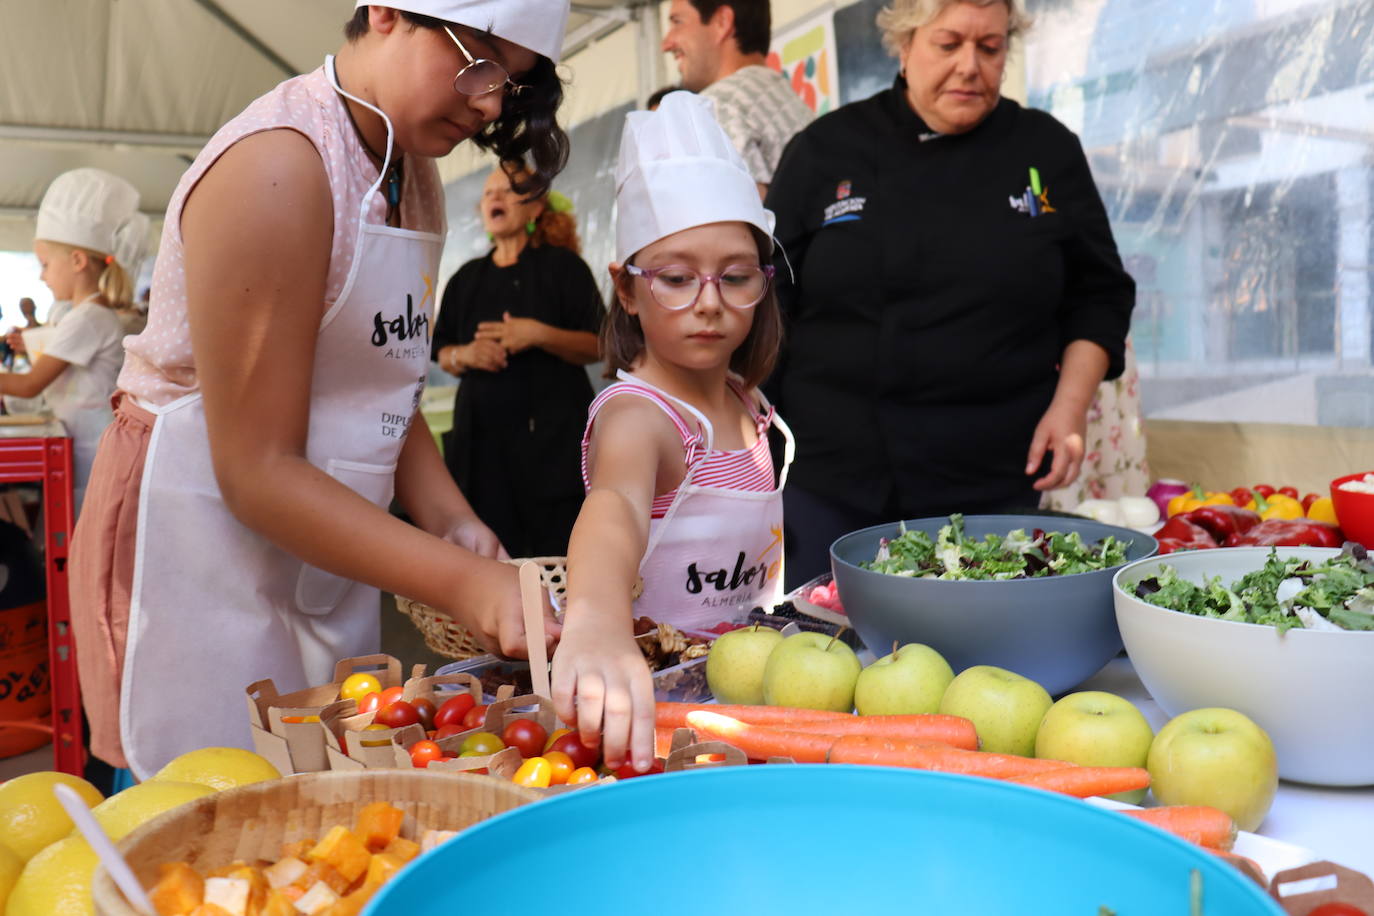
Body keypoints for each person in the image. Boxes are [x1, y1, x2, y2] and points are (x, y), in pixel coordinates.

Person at [68, 0, 571, 779]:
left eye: (513, 81)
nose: (491, 102)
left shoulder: (412, 170)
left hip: (318, 536)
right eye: (478, 56)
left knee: (314, 781)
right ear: (383, 13)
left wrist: (454, 525)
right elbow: (256, 471)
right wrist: (466, 582)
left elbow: (380, 381)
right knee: (202, 796)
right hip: (198, 526)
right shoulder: (282, 163)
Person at [764, 0, 1136, 588]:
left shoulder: (1044, 150)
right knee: (822, 647)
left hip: (993, 477)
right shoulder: (825, 149)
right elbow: (769, 298)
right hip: (834, 474)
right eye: (949, 44)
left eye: (990, 48)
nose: (970, 65)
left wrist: (1069, 408)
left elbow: (1101, 293)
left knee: (982, 657)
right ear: (904, 45)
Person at [552, 91, 791, 774]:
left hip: (750, 711)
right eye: (678, 279)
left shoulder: (752, 406)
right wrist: (596, 616)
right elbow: (616, 504)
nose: (710, 303)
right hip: (654, 726)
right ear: (626, 289)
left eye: (736, 277)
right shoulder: (642, 417)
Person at [431, 161, 603, 558]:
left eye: (507, 191)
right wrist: (465, 354)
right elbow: (441, 350)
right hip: (482, 450)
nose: (494, 197)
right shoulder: (466, 278)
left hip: (554, 449)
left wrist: (538, 334)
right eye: (489, 192)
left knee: (560, 555)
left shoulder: (563, 268)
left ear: (535, 209)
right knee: (491, 555)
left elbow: (601, 345)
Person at [0, 169, 147, 512]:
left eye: (46, 264)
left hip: (90, 452)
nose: (42, 275)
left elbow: (29, 385)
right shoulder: (85, 314)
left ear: (78, 261)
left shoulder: (89, 317)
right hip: (81, 446)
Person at [661, 0, 813, 195]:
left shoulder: (715, 107)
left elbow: (743, 218)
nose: (666, 44)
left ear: (722, 22)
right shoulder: (788, 99)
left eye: (677, 22)